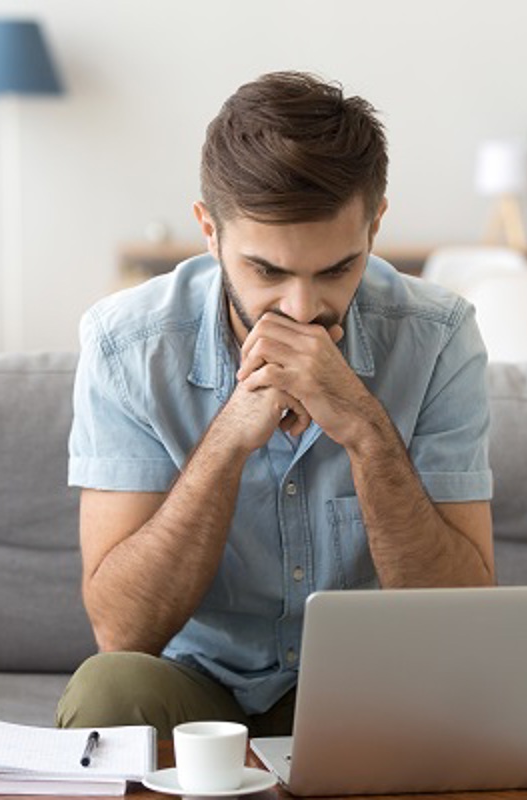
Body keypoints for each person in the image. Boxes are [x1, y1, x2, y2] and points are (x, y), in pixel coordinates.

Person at [56, 71, 494, 738]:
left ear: (375, 227)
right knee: (108, 692)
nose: (301, 309)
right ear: (210, 231)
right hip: (198, 688)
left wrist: (367, 433)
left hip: (368, 691)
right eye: (268, 271)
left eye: (335, 270)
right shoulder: (126, 346)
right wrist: (230, 437)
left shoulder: (437, 339)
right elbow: (122, 631)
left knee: (470, 704)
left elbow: (463, 620)